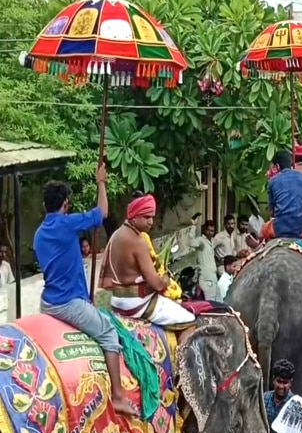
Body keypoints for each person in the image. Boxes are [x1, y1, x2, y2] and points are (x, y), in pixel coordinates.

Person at [34, 165, 136, 417]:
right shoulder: (66, 225)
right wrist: (101, 182)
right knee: (110, 334)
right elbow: (102, 212)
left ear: (45, 205)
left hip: (47, 301)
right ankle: (119, 395)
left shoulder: (38, 234)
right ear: (65, 204)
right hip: (67, 302)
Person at [100, 193, 196, 327]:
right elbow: (156, 284)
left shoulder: (116, 235)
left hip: (117, 301)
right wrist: (165, 280)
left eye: (152, 217)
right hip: (137, 304)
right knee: (189, 318)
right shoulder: (138, 241)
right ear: (134, 216)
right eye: (146, 217)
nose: (151, 222)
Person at [261, 150, 302, 240]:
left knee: (262, 230)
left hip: (279, 229)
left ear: (277, 166)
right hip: (300, 228)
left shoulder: (272, 181)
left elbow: (272, 212)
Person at [190, 219, 220, 301]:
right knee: (209, 304)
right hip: (206, 279)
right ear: (204, 230)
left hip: (213, 278)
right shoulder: (201, 241)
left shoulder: (212, 241)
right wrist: (193, 226)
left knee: (216, 304)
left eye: (212, 231)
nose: (210, 233)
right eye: (209, 230)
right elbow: (192, 243)